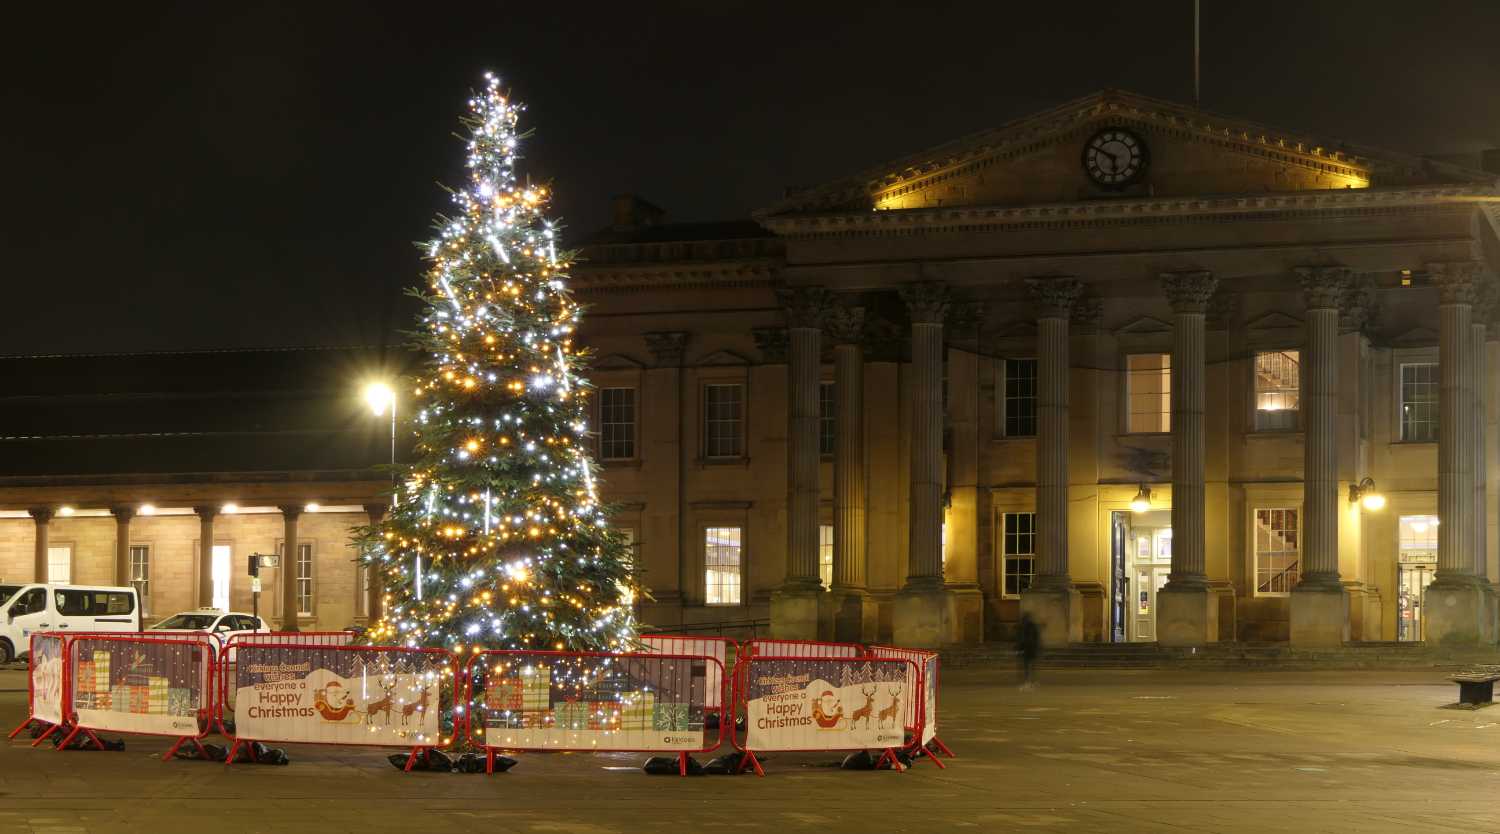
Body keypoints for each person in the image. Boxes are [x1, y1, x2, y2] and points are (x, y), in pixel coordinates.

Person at [1018, 612, 1041, 690]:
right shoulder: (1032, 626)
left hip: (1028, 649)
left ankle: (1028, 681)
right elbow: (1036, 637)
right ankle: (1032, 681)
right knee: (1031, 666)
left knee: (1027, 666)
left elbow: (1023, 638)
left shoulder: (1025, 627)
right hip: (1032, 649)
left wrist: (1020, 647)